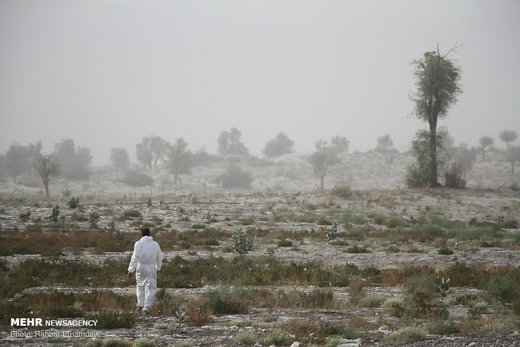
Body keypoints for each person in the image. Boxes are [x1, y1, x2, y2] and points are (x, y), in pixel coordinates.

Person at [128, 227, 163, 313]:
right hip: (151, 267)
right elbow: (159, 257)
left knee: (140, 286)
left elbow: (134, 257)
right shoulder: (155, 244)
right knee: (150, 287)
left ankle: (140, 305)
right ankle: (147, 307)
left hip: (140, 266)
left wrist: (131, 269)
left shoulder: (138, 244)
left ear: (141, 234)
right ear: (149, 234)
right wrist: (158, 267)